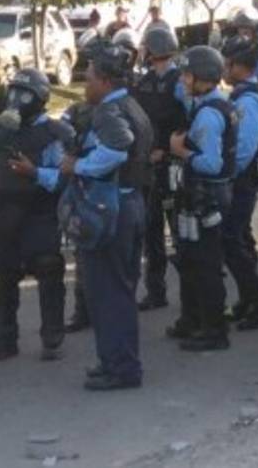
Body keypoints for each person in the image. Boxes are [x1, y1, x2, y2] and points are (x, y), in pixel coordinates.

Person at [55, 42, 152, 389]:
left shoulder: (109, 112)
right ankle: (115, 359)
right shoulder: (130, 105)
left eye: (90, 77)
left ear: (106, 81)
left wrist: (77, 165)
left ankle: (121, 368)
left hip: (112, 208)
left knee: (108, 291)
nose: (86, 84)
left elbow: (117, 149)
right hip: (130, 203)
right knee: (118, 290)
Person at [0, 68, 73, 363]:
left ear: (41, 98)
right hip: (1, 215)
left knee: (48, 269)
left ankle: (52, 337)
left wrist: (34, 173)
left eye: (24, 93)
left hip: (38, 214)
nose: (17, 99)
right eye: (13, 92)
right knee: (2, 275)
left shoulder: (55, 134)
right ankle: (4, 339)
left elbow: (62, 177)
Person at [167, 46, 236, 352]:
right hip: (206, 195)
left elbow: (212, 163)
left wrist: (182, 152)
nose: (182, 80)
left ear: (202, 78)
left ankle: (213, 330)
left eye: (187, 74)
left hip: (207, 195)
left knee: (205, 264)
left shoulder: (208, 115)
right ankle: (195, 320)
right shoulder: (214, 103)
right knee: (192, 260)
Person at [218, 36, 258, 329]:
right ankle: (248, 297)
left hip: (240, 179)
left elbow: (243, 148)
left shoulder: (249, 101)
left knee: (232, 241)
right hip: (239, 178)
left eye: (226, 64)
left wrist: (226, 175)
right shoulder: (243, 95)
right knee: (238, 239)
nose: (223, 70)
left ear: (238, 66)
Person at [131, 27, 187, 311]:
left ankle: (191, 293)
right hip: (151, 165)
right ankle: (156, 291)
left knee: (179, 231)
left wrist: (165, 149)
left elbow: (188, 121)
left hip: (172, 163)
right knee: (151, 231)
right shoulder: (144, 82)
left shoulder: (179, 83)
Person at [59, 98, 95, 333]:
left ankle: (93, 310)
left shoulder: (107, 123)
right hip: (80, 196)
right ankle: (84, 311)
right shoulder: (76, 111)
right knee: (82, 256)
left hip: (99, 198)